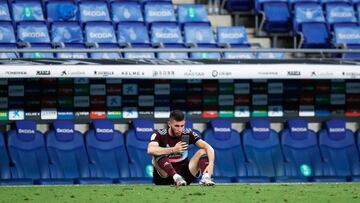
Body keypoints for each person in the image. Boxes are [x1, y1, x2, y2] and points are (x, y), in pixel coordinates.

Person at [147, 110, 215, 186]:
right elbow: (150, 150)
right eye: (176, 126)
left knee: (204, 150)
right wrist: (173, 149)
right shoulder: (160, 134)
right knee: (157, 152)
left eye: (182, 126)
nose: (180, 129)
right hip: (165, 177)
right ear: (169, 124)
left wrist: (211, 164)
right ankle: (176, 177)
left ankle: (205, 178)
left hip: (185, 176)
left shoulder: (187, 133)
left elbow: (208, 147)